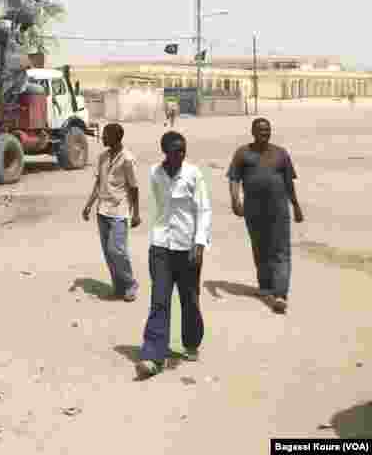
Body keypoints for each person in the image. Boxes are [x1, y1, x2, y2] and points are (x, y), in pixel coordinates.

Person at [135, 130, 212, 380]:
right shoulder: (155, 173)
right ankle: (154, 355)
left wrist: (199, 244)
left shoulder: (193, 174)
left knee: (189, 299)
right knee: (159, 300)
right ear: (165, 152)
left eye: (183, 150)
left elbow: (204, 209)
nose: (180, 154)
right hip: (160, 246)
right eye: (175, 150)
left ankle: (191, 342)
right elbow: (161, 208)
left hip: (187, 248)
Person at [227, 118, 304, 315]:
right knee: (260, 247)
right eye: (261, 130)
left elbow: (289, 182)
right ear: (252, 131)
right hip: (253, 210)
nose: (265, 133)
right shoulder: (242, 153)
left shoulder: (281, 153)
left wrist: (295, 205)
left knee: (280, 250)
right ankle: (266, 285)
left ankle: (280, 294)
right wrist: (235, 200)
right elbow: (234, 178)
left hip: (279, 210)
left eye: (267, 130)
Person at [82, 123, 141, 301]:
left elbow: (134, 187)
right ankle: (119, 286)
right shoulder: (102, 157)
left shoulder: (127, 159)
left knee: (116, 250)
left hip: (119, 210)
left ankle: (130, 283)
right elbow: (98, 183)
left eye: (106, 135)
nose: (103, 138)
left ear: (116, 137)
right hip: (102, 211)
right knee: (108, 253)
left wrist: (136, 213)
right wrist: (89, 204)